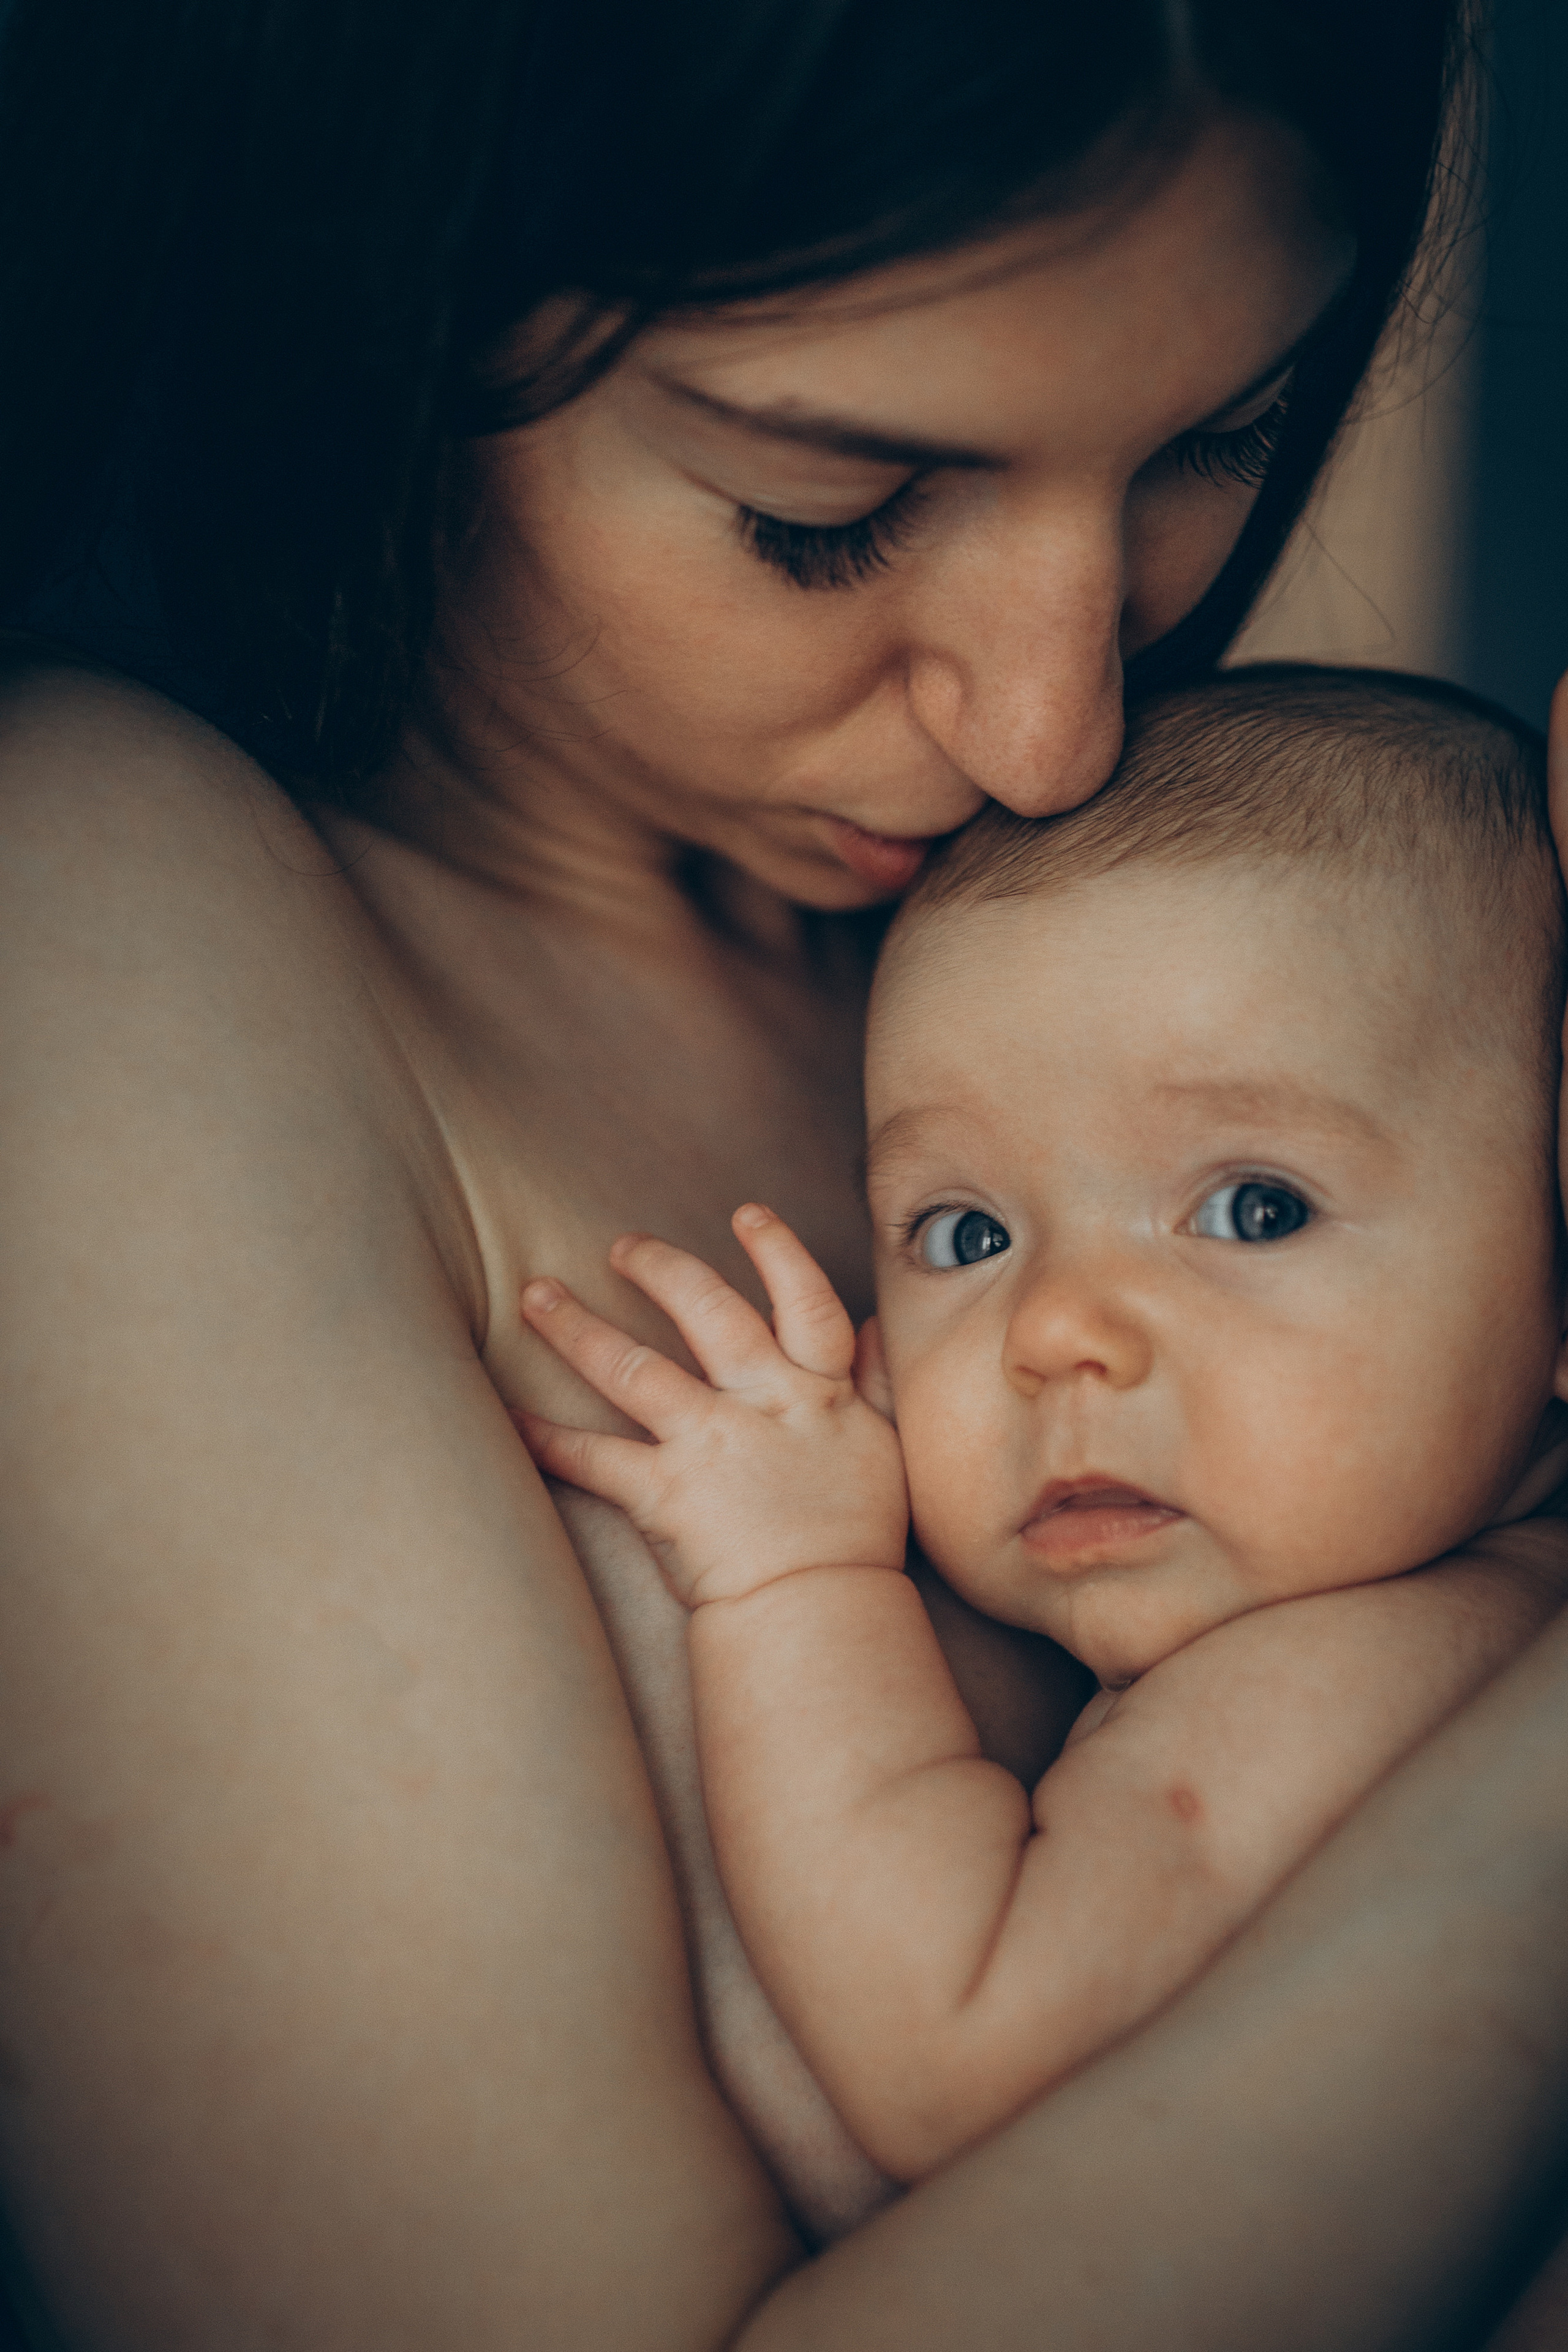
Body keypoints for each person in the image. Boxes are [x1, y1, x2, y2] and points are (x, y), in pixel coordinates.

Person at [3, 2, 1568, 2345]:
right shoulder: (101, 924)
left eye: (1218, 441)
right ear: (383, 313)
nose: (1052, 727)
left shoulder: (1186, 931)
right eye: (825, 517)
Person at [518, 666, 1568, 2183]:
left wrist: (794, 1585)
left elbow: (962, 2063)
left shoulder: (1353, 1672)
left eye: (1249, 1207)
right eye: (960, 1236)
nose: (1051, 1332)